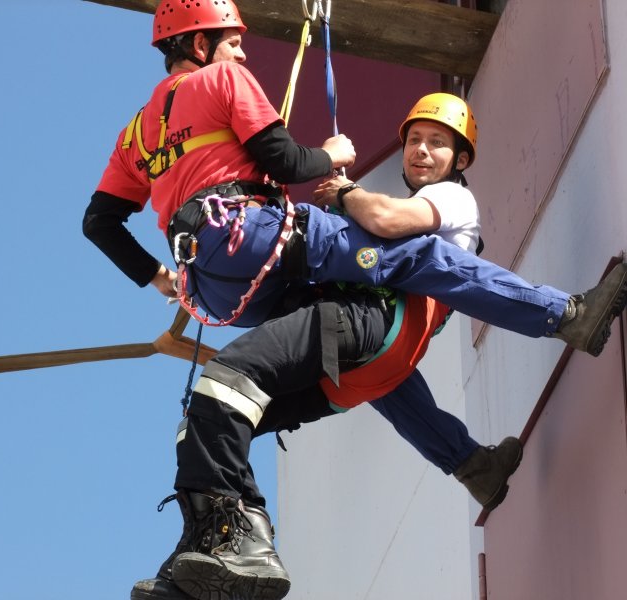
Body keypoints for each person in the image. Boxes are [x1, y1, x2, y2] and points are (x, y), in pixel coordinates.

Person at [129, 90, 626, 599]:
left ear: (461, 160)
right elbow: (393, 375)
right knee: (206, 418)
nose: (421, 150)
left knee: (236, 374)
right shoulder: (392, 217)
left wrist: (344, 194)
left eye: (437, 143)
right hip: (365, 371)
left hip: (378, 324)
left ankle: (565, 314)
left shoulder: (452, 199)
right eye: (415, 140)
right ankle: (211, 551)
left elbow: (387, 221)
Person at [84, 0, 627, 359]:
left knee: (343, 330)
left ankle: (468, 461)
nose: (242, 52)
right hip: (253, 237)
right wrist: (330, 155)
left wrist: (159, 277)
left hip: (213, 288)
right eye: (232, 41)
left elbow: (99, 223)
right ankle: (564, 316)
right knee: (421, 256)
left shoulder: (133, 136)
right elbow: (287, 164)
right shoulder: (224, 78)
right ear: (201, 47)